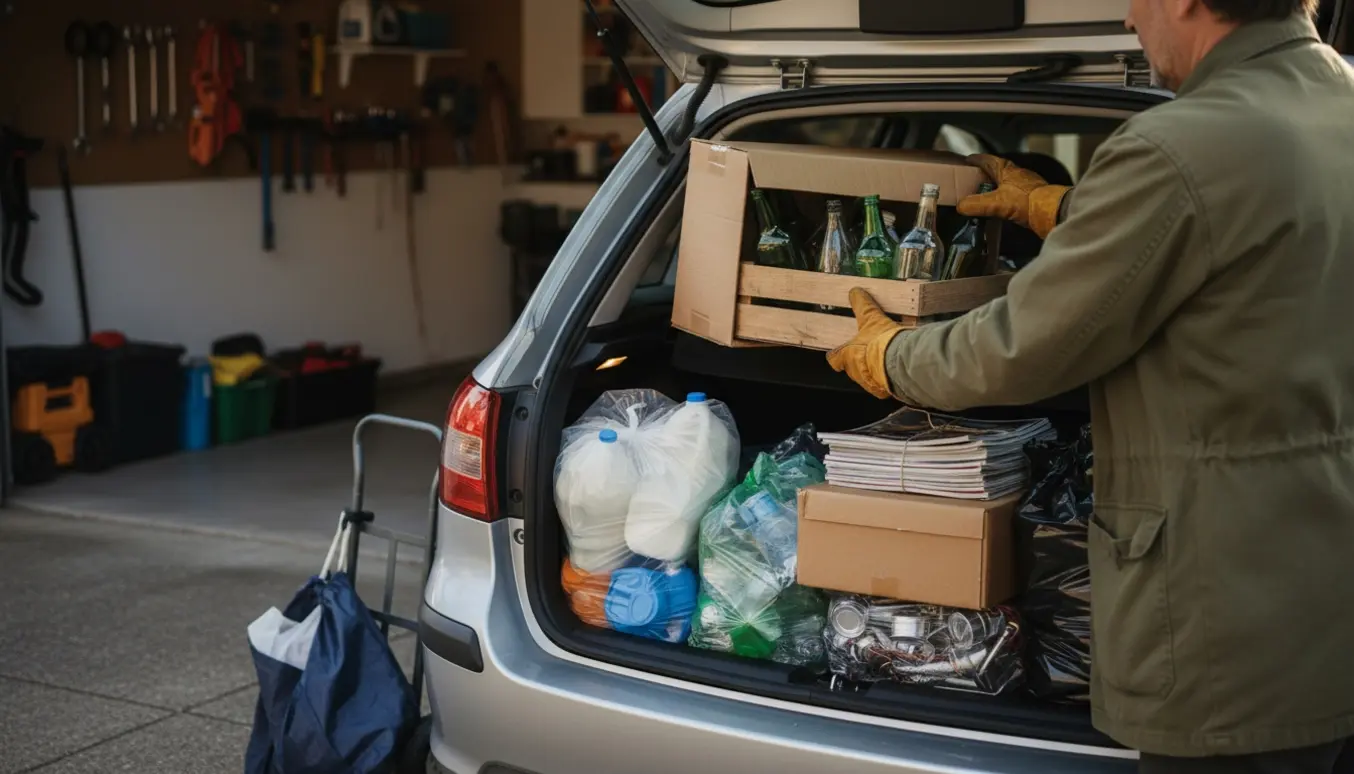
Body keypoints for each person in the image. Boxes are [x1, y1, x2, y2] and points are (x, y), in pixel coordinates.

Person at [826, 1, 1354, 772]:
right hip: (1319, 593)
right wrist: (1065, 209)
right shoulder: (1335, 101)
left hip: (1223, 627)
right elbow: (1249, 232)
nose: (1130, 17)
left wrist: (893, 356)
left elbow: (1020, 349)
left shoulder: (1178, 148)